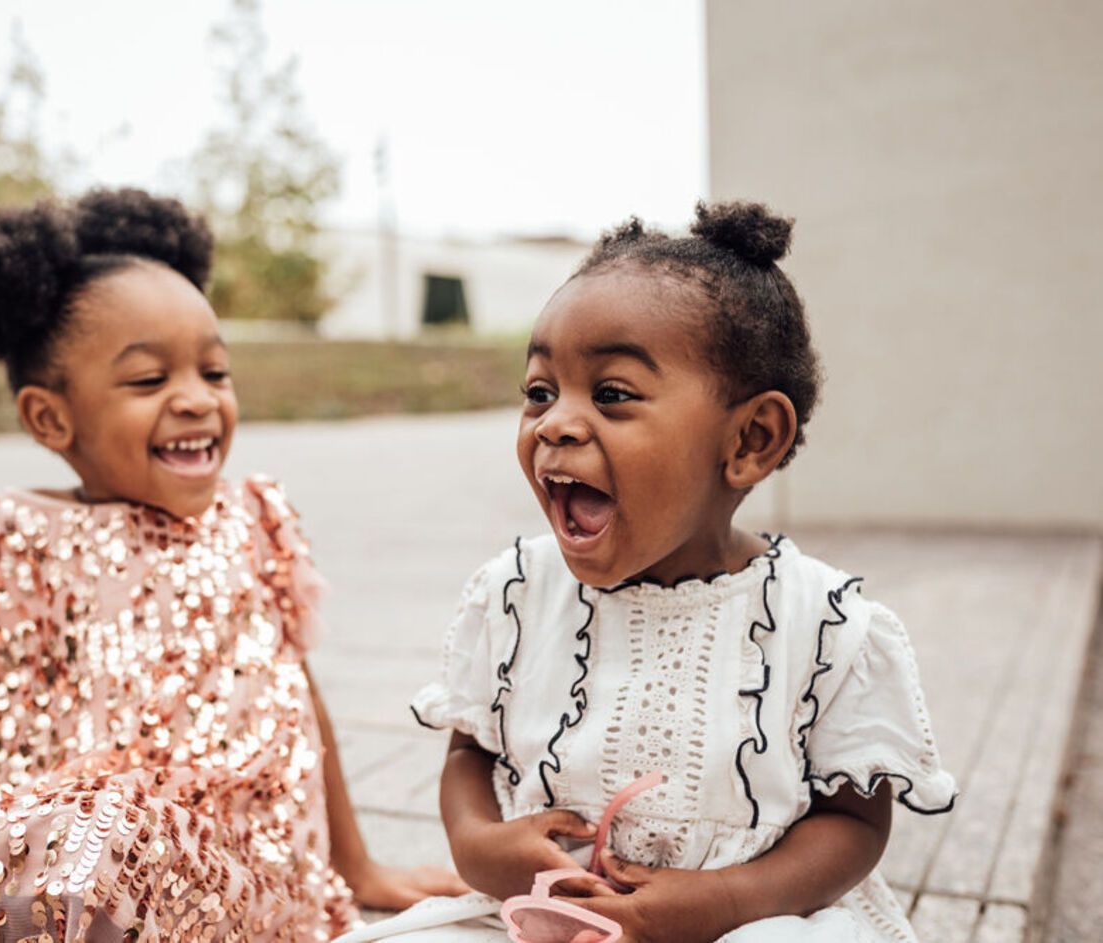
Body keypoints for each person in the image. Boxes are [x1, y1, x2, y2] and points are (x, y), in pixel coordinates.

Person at [0, 188, 465, 943]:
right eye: (150, 381)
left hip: (246, 878)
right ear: (51, 417)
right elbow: (8, 745)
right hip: (91, 873)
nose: (195, 400)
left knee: (104, 829)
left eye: (214, 372)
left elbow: (299, 702)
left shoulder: (252, 517)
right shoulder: (24, 535)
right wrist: (3, 869)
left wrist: (359, 865)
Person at [349, 202, 956, 943]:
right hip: (550, 915)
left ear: (750, 440)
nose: (555, 423)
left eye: (611, 393)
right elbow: (472, 749)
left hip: (746, 918)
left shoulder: (822, 623)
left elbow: (855, 822)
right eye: (540, 391)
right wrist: (480, 844)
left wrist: (724, 901)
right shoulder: (514, 594)